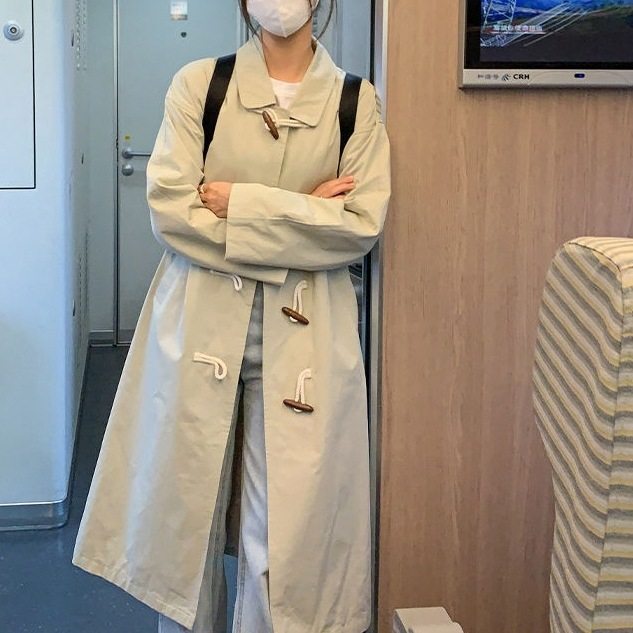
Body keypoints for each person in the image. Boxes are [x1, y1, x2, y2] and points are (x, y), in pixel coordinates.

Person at [72, 1, 391, 631]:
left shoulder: (356, 101)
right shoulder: (200, 84)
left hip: (304, 338)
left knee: (282, 532)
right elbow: (173, 213)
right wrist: (304, 211)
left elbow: (359, 227)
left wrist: (241, 203)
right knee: (187, 524)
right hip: (200, 324)